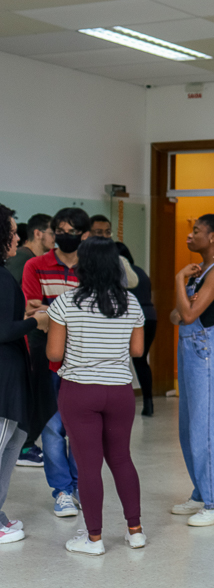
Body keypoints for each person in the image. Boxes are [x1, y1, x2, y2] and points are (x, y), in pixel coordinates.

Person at [46, 237, 146, 554]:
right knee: (121, 458)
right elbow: (137, 350)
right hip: (119, 392)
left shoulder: (65, 302)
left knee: (88, 465)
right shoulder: (131, 303)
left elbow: (54, 353)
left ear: (83, 265)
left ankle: (93, 539)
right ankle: (135, 531)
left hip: (79, 391)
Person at [21, 207, 90, 518]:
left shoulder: (90, 267)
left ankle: (79, 486)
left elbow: (94, 311)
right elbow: (32, 311)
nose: (64, 236)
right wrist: (64, 314)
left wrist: (52, 312)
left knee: (79, 427)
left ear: (83, 235)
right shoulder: (35, 265)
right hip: (45, 355)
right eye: (59, 230)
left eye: (70, 232)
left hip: (83, 357)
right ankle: (62, 490)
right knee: (51, 427)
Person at [169, 213, 214, 527]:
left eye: (196, 231)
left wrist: (178, 280)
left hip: (206, 350)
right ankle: (201, 492)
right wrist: (186, 303)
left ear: (213, 237)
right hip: (191, 349)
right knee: (188, 426)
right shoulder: (201, 271)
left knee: (205, 426)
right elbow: (176, 314)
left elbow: (188, 314)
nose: (189, 236)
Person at [0, 205, 50, 545]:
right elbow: (3, 330)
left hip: (10, 373)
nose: (17, 238)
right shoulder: (3, 277)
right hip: (4, 376)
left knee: (13, 442)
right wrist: (36, 321)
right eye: (12, 231)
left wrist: (26, 313)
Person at [7, 213, 53, 468]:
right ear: (38, 233)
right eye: (53, 233)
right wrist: (33, 317)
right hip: (26, 341)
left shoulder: (32, 261)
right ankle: (25, 447)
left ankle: (25, 445)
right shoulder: (23, 261)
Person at [117, 242, 157, 417]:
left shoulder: (119, 272)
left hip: (131, 318)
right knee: (141, 360)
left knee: (120, 359)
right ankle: (148, 402)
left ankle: (121, 402)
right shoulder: (140, 272)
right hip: (150, 316)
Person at [6, 213, 52, 285]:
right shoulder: (22, 256)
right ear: (38, 234)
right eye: (52, 233)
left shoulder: (26, 256)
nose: (56, 237)